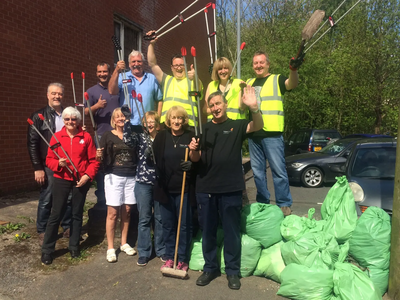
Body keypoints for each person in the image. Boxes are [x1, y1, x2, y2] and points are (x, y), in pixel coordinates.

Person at [190, 88, 263, 290]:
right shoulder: (202, 129)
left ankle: (232, 271)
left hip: (231, 188)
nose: (215, 108)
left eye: (218, 104)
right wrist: (193, 151)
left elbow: (258, 125)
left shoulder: (237, 125)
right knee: (208, 232)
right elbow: (195, 159)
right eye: (212, 105)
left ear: (225, 105)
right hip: (206, 187)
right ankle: (210, 268)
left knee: (231, 232)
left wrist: (254, 108)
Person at [41, 107, 99, 265]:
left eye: (73, 119)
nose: (70, 122)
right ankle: (47, 250)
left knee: (76, 213)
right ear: (64, 121)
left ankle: (74, 246)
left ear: (78, 121)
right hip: (62, 178)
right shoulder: (56, 137)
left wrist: (87, 176)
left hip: (80, 179)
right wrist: (57, 164)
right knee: (56, 213)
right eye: (67, 119)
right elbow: (48, 159)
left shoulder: (86, 137)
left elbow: (93, 161)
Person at [246, 51, 301, 216]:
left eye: (261, 62)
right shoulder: (249, 82)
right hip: (254, 134)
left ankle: (284, 204)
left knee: (278, 171)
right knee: (257, 173)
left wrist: (293, 70)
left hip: (272, 134)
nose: (258, 65)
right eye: (255, 63)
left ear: (268, 64)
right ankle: (262, 202)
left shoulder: (276, 79)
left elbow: (292, 84)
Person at [152, 106, 197, 272]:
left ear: (184, 120)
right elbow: (155, 159)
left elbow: (197, 157)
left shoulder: (189, 136)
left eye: (180, 118)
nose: (177, 121)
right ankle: (170, 256)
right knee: (168, 224)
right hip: (165, 188)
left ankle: (183, 259)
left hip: (183, 187)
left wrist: (191, 164)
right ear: (168, 120)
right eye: (173, 118)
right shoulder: (162, 136)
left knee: (184, 225)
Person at [27, 83, 72, 246]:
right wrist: (37, 167)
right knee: (47, 197)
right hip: (50, 164)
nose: (56, 96)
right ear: (47, 95)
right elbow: (32, 143)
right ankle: (43, 230)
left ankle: (67, 227)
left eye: (59, 94)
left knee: (68, 197)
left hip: (68, 163)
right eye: (53, 93)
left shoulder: (68, 114)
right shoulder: (38, 116)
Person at [203, 57, 249, 205]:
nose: (223, 71)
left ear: (230, 69)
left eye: (225, 68)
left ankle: (241, 196)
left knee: (235, 164)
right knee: (214, 161)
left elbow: (243, 107)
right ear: (216, 71)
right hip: (215, 129)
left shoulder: (237, 83)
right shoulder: (212, 85)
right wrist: (216, 108)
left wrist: (243, 91)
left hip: (233, 129)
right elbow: (205, 109)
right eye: (220, 68)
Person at [123, 110, 166, 266]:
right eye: (147, 121)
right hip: (143, 181)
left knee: (160, 218)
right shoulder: (141, 137)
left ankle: (161, 249)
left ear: (158, 123)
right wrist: (127, 121)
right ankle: (144, 251)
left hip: (160, 182)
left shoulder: (163, 137)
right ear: (143, 124)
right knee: (144, 218)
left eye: (153, 121)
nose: (150, 124)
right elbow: (127, 140)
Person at [96, 108, 138, 263]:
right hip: (113, 176)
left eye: (123, 116)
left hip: (131, 176)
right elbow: (101, 156)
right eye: (118, 116)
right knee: (112, 213)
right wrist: (98, 156)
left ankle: (124, 242)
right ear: (113, 120)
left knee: (127, 211)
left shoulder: (133, 135)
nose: (121, 118)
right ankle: (111, 248)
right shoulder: (107, 135)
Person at [146, 31, 204, 128]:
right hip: (167, 125)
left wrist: (195, 77)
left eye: (181, 65)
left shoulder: (192, 80)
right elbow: (152, 64)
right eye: (176, 65)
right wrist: (151, 44)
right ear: (171, 68)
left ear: (186, 66)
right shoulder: (166, 80)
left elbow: (198, 90)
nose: (178, 68)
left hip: (188, 125)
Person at [85, 62, 121, 206]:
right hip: (100, 134)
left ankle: (116, 198)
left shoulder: (117, 88)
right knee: (100, 167)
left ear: (110, 72)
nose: (102, 74)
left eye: (105, 71)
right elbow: (85, 112)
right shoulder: (92, 91)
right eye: (100, 72)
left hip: (118, 134)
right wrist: (97, 106)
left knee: (116, 164)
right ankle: (101, 199)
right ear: (96, 73)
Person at [108, 50, 163, 125]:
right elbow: (111, 91)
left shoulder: (152, 78)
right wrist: (117, 70)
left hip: (148, 124)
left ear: (143, 63)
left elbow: (160, 99)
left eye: (139, 61)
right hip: (127, 123)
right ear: (129, 64)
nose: (136, 64)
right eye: (133, 61)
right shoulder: (122, 77)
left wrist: (158, 120)